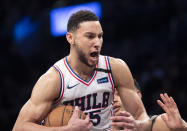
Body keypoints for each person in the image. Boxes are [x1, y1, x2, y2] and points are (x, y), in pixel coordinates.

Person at [13, 10, 151, 131]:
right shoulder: (54, 79)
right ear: (70, 38)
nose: (97, 43)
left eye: (100, 36)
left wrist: (137, 126)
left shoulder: (116, 68)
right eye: (90, 36)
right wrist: (65, 130)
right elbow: (19, 127)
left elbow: (142, 116)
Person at [113, 79, 187, 131]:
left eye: (119, 94)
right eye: (108, 98)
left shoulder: (162, 122)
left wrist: (181, 128)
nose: (113, 100)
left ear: (137, 96)